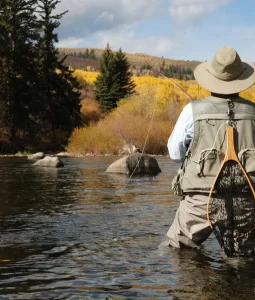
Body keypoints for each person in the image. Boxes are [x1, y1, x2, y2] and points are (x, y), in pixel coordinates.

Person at [165, 46, 255, 249]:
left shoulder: (192, 110)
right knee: (244, 261)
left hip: (199, 199)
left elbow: (174, 152)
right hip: (247, 199)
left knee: (179, 251)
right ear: (241, 79)